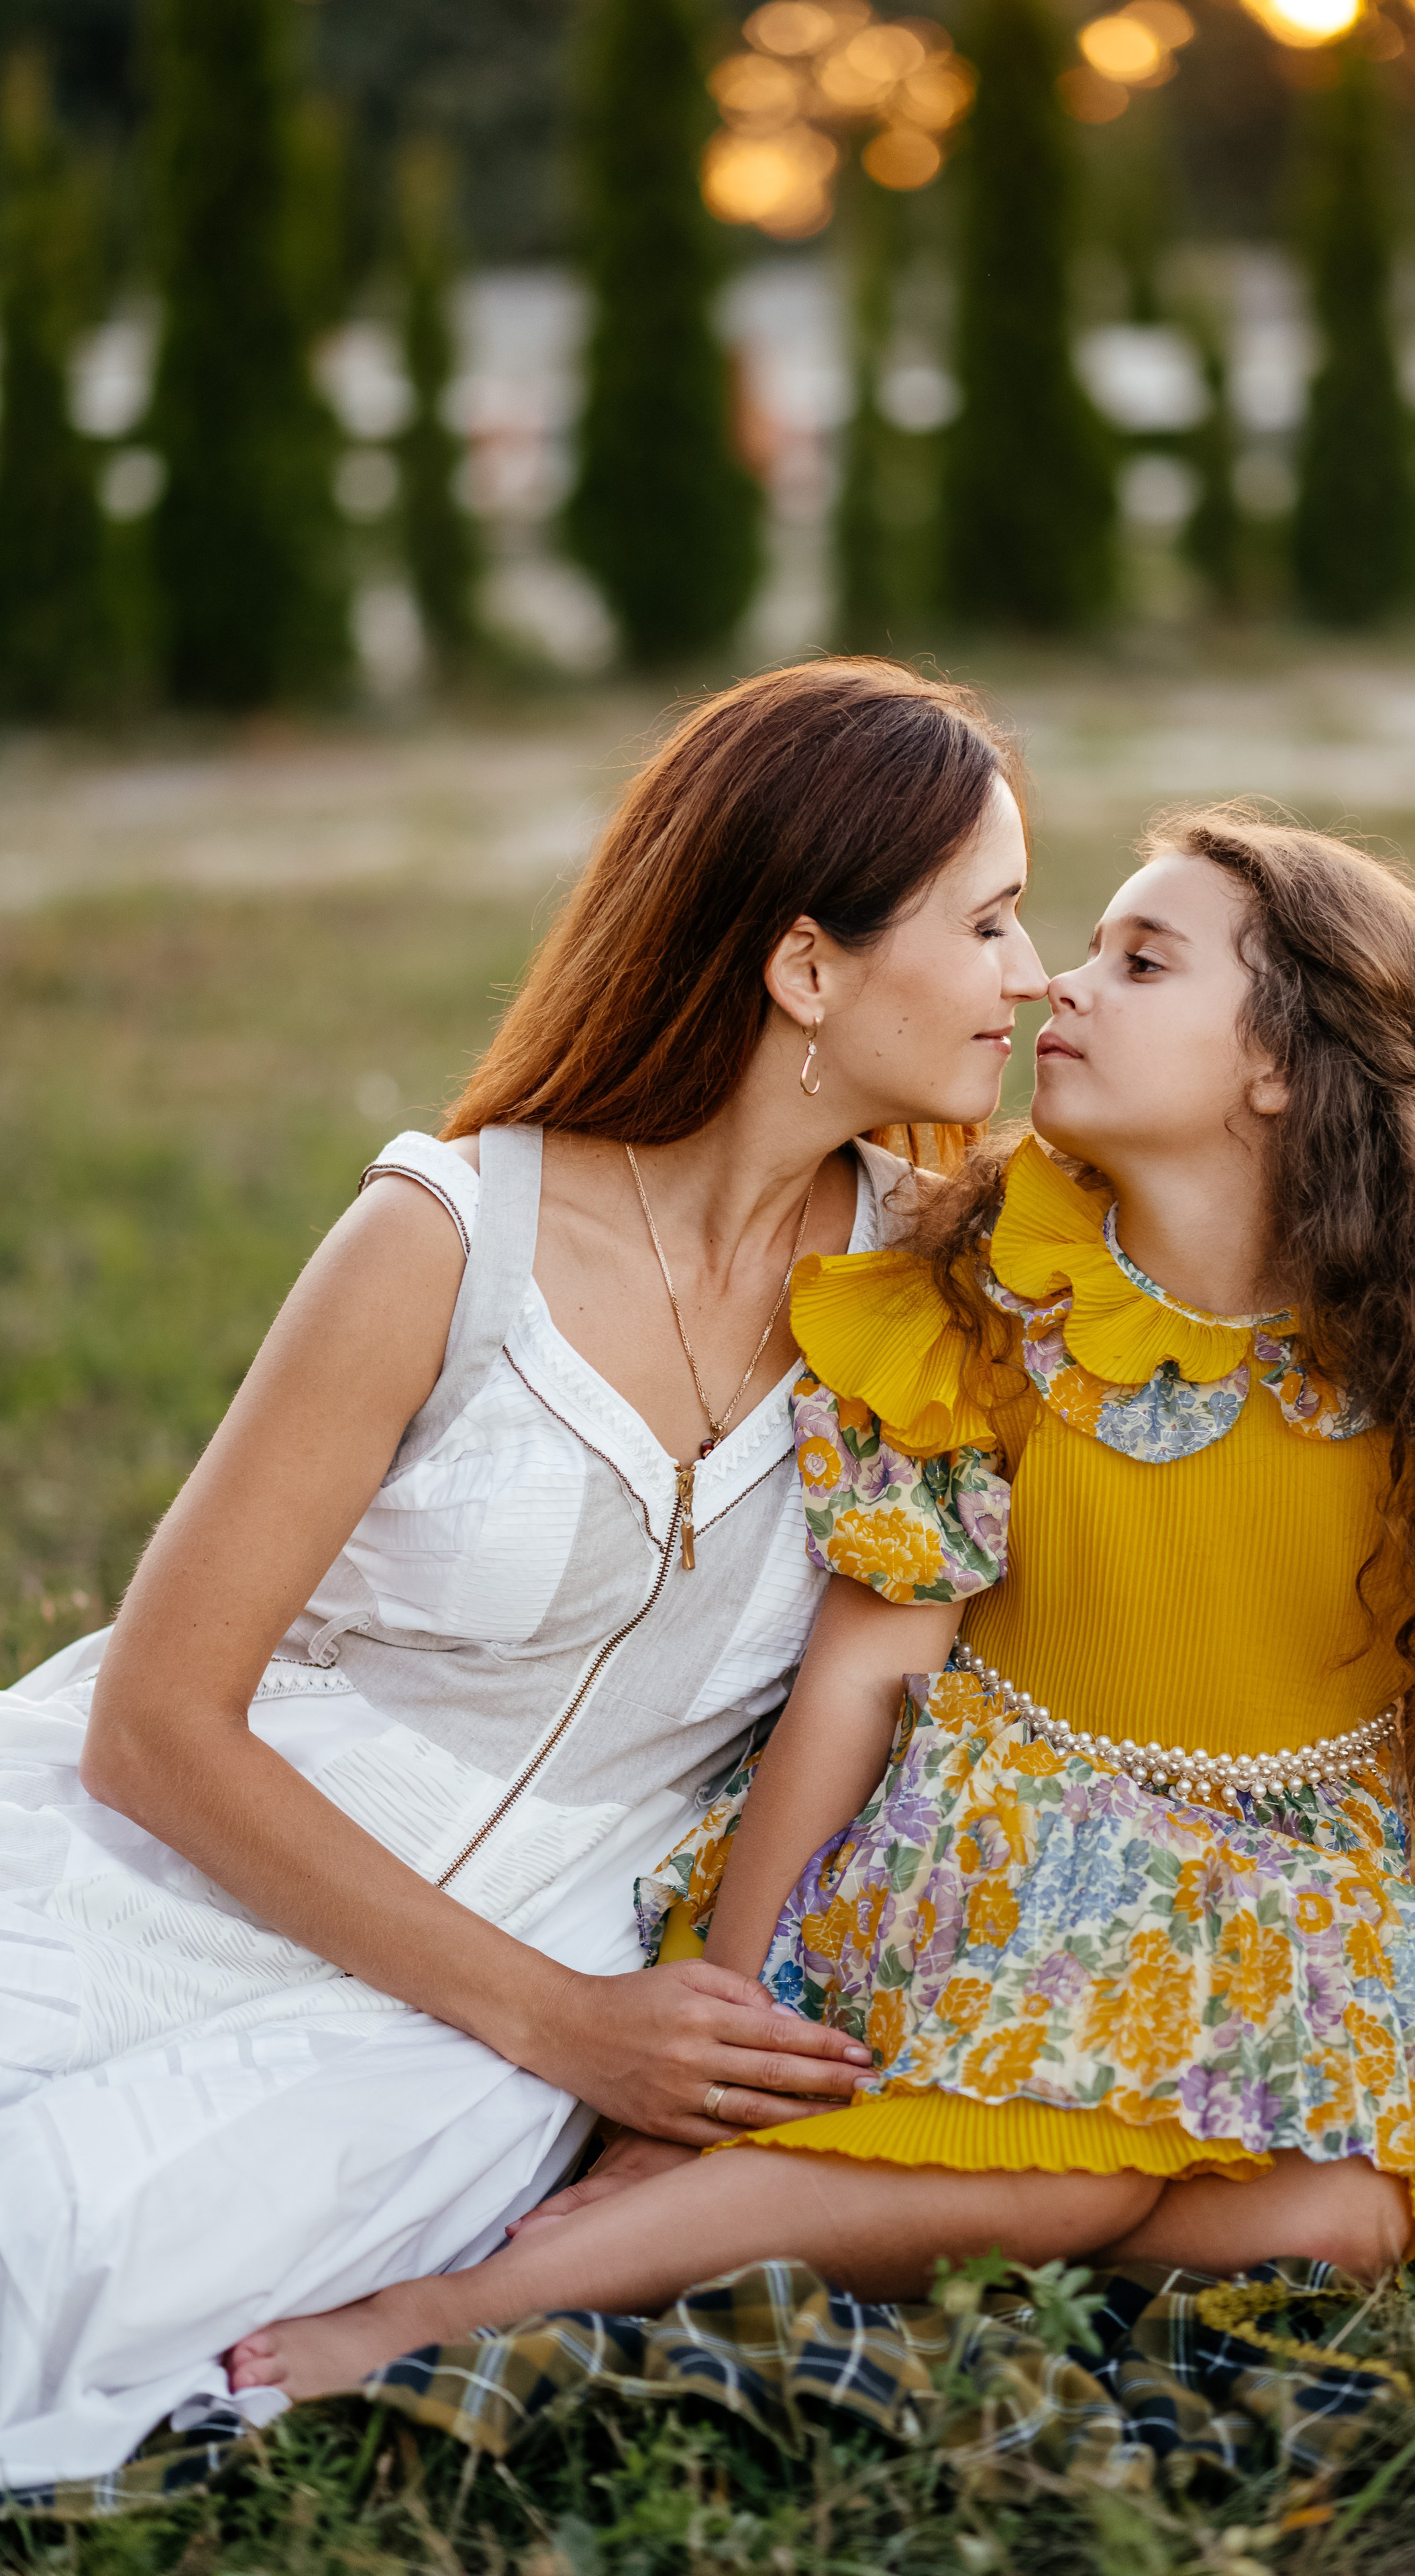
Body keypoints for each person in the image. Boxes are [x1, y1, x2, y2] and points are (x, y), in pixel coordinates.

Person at [227, 808, 1415, 2400]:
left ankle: (864, 2204)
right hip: (990, 1888)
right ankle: (458, 2309)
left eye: (1140, 962)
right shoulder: (995, 1298)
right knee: (1066, 2168)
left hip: (1277, 1912)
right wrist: (728, 2031)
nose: (1058, 982)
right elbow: (860, 1680)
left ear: (1279, 1064)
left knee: (1342, 2216)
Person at [0, 659, 1050, 2485]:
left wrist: (599, 2040)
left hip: (514, 1993)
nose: (1031, 978)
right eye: (989, 922)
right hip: (199, 1856)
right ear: (807, 969)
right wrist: (564, 2028)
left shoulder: (937, 1294)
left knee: (56, 2268)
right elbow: (157, 1728)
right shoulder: (443, 1232)